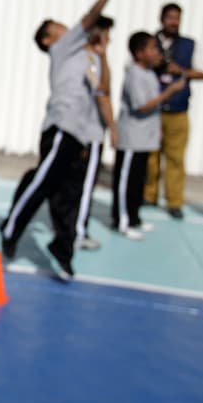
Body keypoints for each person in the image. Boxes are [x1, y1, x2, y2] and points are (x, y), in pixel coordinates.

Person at [1, 0, 134, 278]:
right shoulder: (62, 49)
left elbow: (103, 91)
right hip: (62, 127)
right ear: (49, 40)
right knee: (44, 181)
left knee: (70, 195)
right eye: (56, 27)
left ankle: (63, 247)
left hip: (83, 134)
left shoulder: (89, 55)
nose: (64, 27)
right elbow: (90, 16)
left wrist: (103, 56)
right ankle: (12, 227)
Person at [113, 33, 187, 239]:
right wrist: (169, 92)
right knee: (125, 183)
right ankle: (122, 221)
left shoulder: (148, 73)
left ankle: (134, 217)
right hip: (132, 138)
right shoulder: (134, 74)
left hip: (145, 139)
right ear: (139, 53)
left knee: (138, 181)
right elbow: (142, 105)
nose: (157, 53)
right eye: (152, 48)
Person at [144, 3, 203, 220]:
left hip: (178, 109)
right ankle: (148, 194)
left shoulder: (189, 45)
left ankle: (174, 201)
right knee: (150, 157)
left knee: (175, 158)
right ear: (161, 18)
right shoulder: (150, 43)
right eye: (170, 17)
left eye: (177, 18)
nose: (174, 22)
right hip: (154, 108)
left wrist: (180, 71)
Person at [74, 23, 115, 252]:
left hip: (90, 132)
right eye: (107, 35)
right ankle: (78, 231)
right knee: (86, 185)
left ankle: (76, 229)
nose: (109, 40)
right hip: (90, 133)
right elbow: (103, 93)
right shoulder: (88, 60)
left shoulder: (95, 59)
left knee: (82, 185)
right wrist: (114, 129)